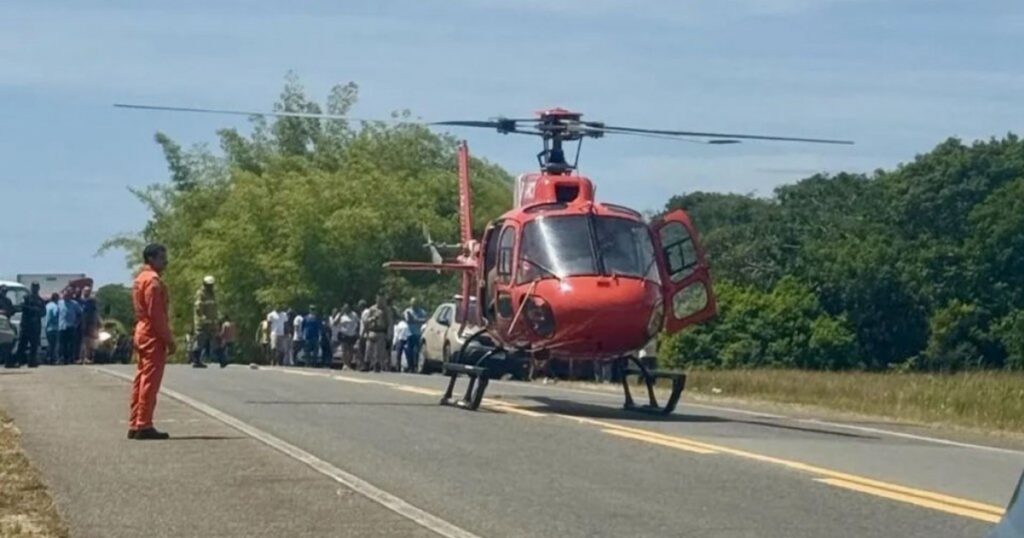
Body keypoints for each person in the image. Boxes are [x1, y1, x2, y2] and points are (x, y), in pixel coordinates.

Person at [129, 243, 175, 440]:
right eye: (162, 257)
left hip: (141, 330)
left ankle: (135, 422)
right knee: (150, 380)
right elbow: (156, 315)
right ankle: (144, 424)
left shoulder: (140, 278)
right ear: (152, 259)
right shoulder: (153, 282)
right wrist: (169, 339)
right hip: (151, 333)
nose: (165, 261)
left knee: (141, 379)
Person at [190, 276, 218, 368]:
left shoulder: (211, 294)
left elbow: (213, 307)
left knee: (209, 340)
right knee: (199, 340)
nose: (210, 286)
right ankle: (195, 360)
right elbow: (198, 307)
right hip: (202, 322)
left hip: (211, 322)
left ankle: (205, 359)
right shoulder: (201, 293)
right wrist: (202, 317)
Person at [15, 282, 45, 368]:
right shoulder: (26, 298)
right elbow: (22, 307)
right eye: (33, 287)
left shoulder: (40, 300)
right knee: (22, 345)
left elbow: (43, 312)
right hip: (26, 326)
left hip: (35, 327)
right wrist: (34, 309)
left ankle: (32, 362)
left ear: (38, 288)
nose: (35, 289)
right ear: (31, 288)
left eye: (36, 287)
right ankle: (18, 361)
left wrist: (36, 310)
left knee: (34, 345)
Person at [362, 295, 390, 373]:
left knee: (379, 350)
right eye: (379, 300)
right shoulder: (372, 309)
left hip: (381, 331)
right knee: (369, 349)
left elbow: (389, 323)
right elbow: (366, 321)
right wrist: (372, 319)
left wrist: (389, 334)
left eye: (382, 300)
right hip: (372, 330)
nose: (380, 302)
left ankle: (377, 365)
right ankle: (366, 364)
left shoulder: (386, 310)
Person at [58, 289, 82, 365]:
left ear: (70, 296)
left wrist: (77, 323)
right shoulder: (59, 303)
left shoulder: (75, 304)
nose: (65, 296)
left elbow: (80, 314)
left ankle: (71, 359)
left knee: (71, 344)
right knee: (62, 344)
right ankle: (63, 359)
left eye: (67, 295)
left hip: (71, 326)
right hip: (62, 327)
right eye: (64, 295)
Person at [402, 298, 427, 373]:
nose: (414, 305)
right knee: (409, 351)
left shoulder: (422, 311)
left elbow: (425, 319)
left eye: (415, 304)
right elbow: (408, 320)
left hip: (418, 334)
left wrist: (415, 320)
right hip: (410, 333)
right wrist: (418, 320)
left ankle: (415, 366)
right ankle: (410, 366)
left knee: (417, 351)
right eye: (413, 304)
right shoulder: (408, 311)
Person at [336, 303, 360, 370]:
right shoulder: (341, 315)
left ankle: (349, 364)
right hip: (344, 334)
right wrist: (340, 315)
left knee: (350, 351)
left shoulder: (354, 314)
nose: (346, 309)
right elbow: (335, 323)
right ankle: (345, 364)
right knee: (344, 350)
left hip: (352, 334)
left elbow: (358, 323)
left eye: (347, 308)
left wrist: (357, 332)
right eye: (345, 308)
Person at [78, 286, 99, 364]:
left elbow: (95, 313)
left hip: (90, 323)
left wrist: (96, 322)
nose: (87, 292)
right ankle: (80, 358)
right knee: (81, 341)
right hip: (80, 323)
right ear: (83, 291)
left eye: (89, 291)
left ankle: (87, 357)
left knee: (89, 341)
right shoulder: (79, 300)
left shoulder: (92, 301)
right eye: (86, 291)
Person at [44, 293, 60, 365]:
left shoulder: (47, 306)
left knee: (49, 344)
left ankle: (47, 358)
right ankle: (52, 359)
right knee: (54, 345)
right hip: (54, 327)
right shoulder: (55, 306)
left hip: (47, 327)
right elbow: (55, 315)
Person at [357, 300, 371, 370]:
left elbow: (366, 323)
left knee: (362, 351)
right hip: (367, 334)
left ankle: (363, 366)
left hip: (364, 334)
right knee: (366, 351)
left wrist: (362, 333)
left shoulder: (365, 312)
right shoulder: (368, 311)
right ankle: (365, 365)